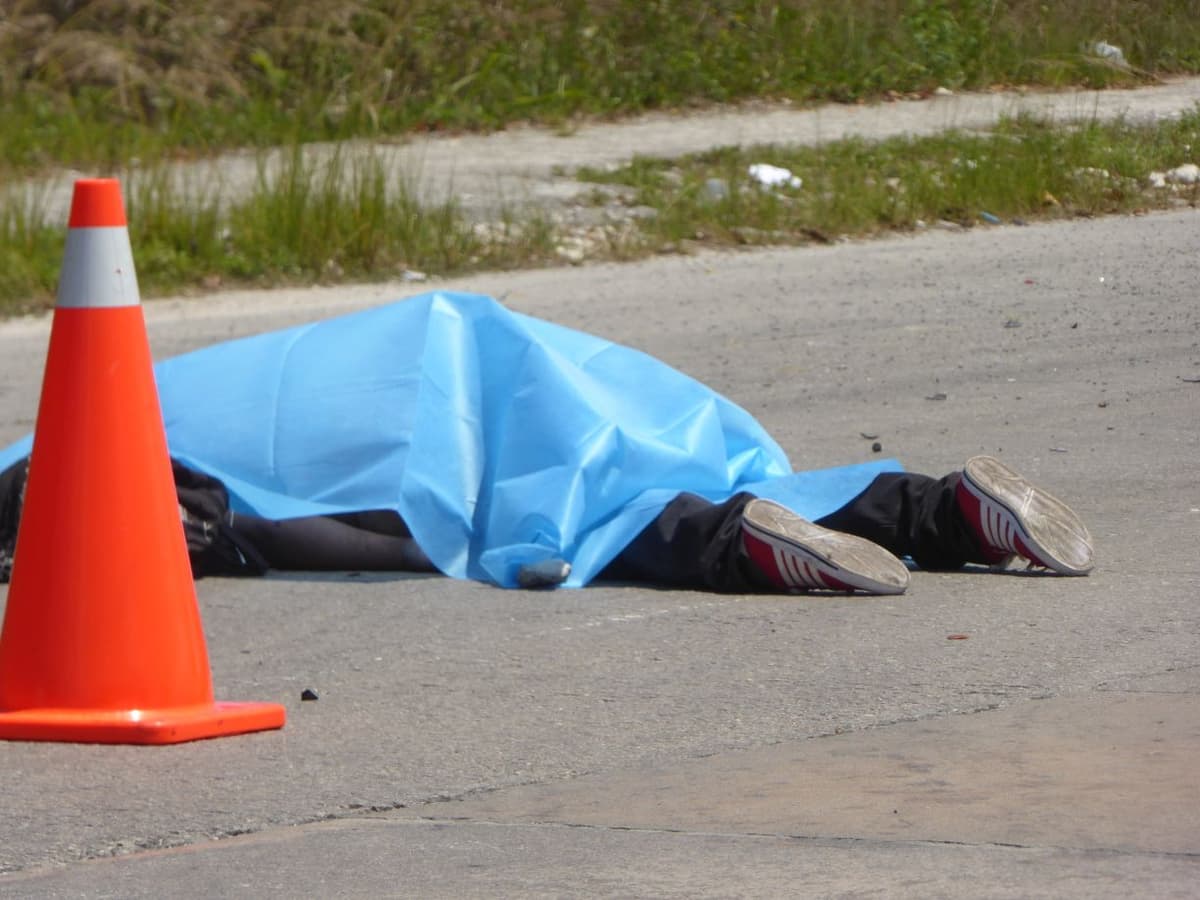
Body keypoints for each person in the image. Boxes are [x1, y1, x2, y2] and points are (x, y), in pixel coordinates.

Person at [0, 292, 1093, 594]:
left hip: (415, 412)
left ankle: (742, 546)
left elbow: (281, 528)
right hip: (456, 350)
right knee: (659, 453)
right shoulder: (108, 414)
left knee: (557, 515)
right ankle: (936, 508)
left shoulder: (81, 472)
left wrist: (465, 559)